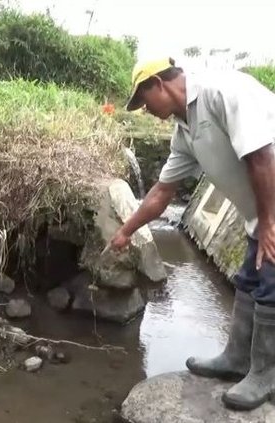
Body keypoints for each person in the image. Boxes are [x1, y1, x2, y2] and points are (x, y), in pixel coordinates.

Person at [111, 57, 275, 411]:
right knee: (248, 280)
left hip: (271, 211)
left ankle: (264, 374)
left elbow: (262, 156)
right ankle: (236, 359)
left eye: (143, 101)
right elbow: (160, 193)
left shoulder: (222, 91)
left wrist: (268, 223)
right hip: (260, 214)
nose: (144, 110)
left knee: (271, 285)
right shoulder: (185, 130)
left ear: (158, 83)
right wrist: (126, 232)